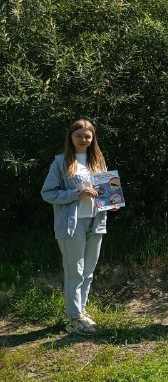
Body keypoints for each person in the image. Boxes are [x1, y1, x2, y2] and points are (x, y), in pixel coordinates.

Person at [41, 119, 109, 334]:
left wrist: (111, 203)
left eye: (87, 136)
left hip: (96, 221)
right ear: (71, 137)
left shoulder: (98, 162)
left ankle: (81, 311)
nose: (83, 139)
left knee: (88, 271)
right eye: (79, 135)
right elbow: (48, 193)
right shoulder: (61, 162)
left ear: (92, 138)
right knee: (75, 271)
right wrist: (76, 194)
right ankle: (74, 318)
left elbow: (107, 191)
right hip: (72, 224)